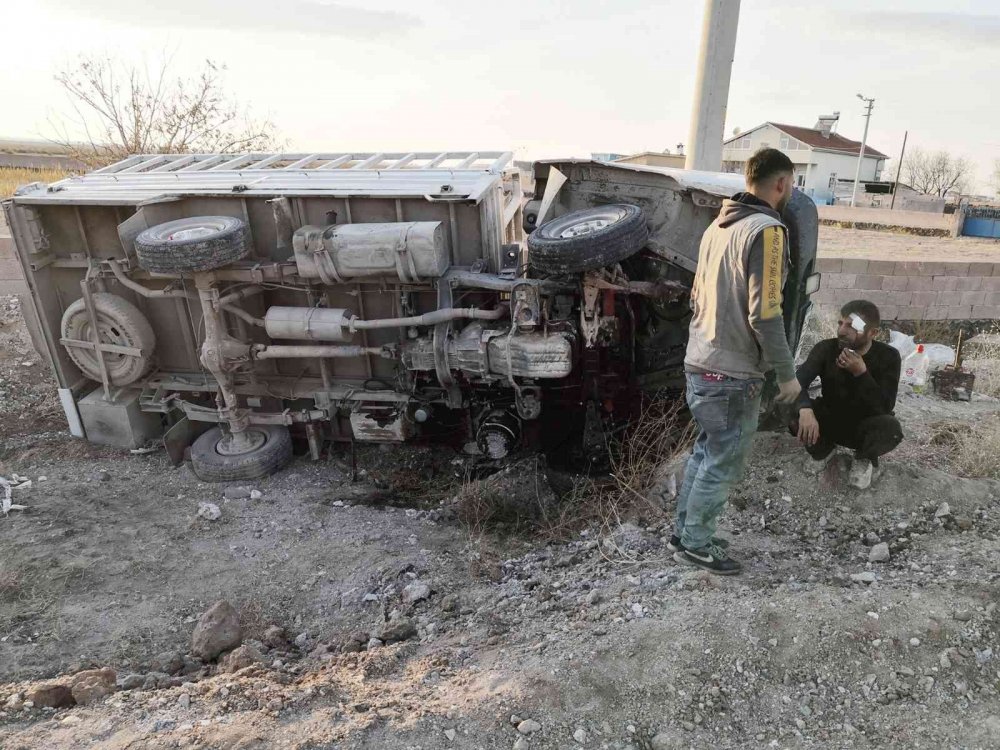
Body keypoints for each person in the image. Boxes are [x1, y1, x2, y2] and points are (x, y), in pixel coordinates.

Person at [670, 148, 802, 575]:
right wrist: (786, 375)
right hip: (732, 371)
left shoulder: (717, 227)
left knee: (705, 452)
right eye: (792, 184)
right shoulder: (768, 232)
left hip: (699, 360)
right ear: (780, 183)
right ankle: (695, 544)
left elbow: (696, 297)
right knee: (722, 460)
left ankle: (685, 533)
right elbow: (766, 313)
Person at [790, 300, 903, 489]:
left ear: (872, 333)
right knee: (786, 403)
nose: (842, 331)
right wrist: (805, 409)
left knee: (890, 428)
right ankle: (823, 451)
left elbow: (884, 406)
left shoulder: (888, 356)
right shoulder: (826, 349)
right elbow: (796, 384)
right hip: (828, 422)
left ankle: (864, 458)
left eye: (851, 326)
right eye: (840, 323)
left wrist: (861, 373)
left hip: (864, 428)